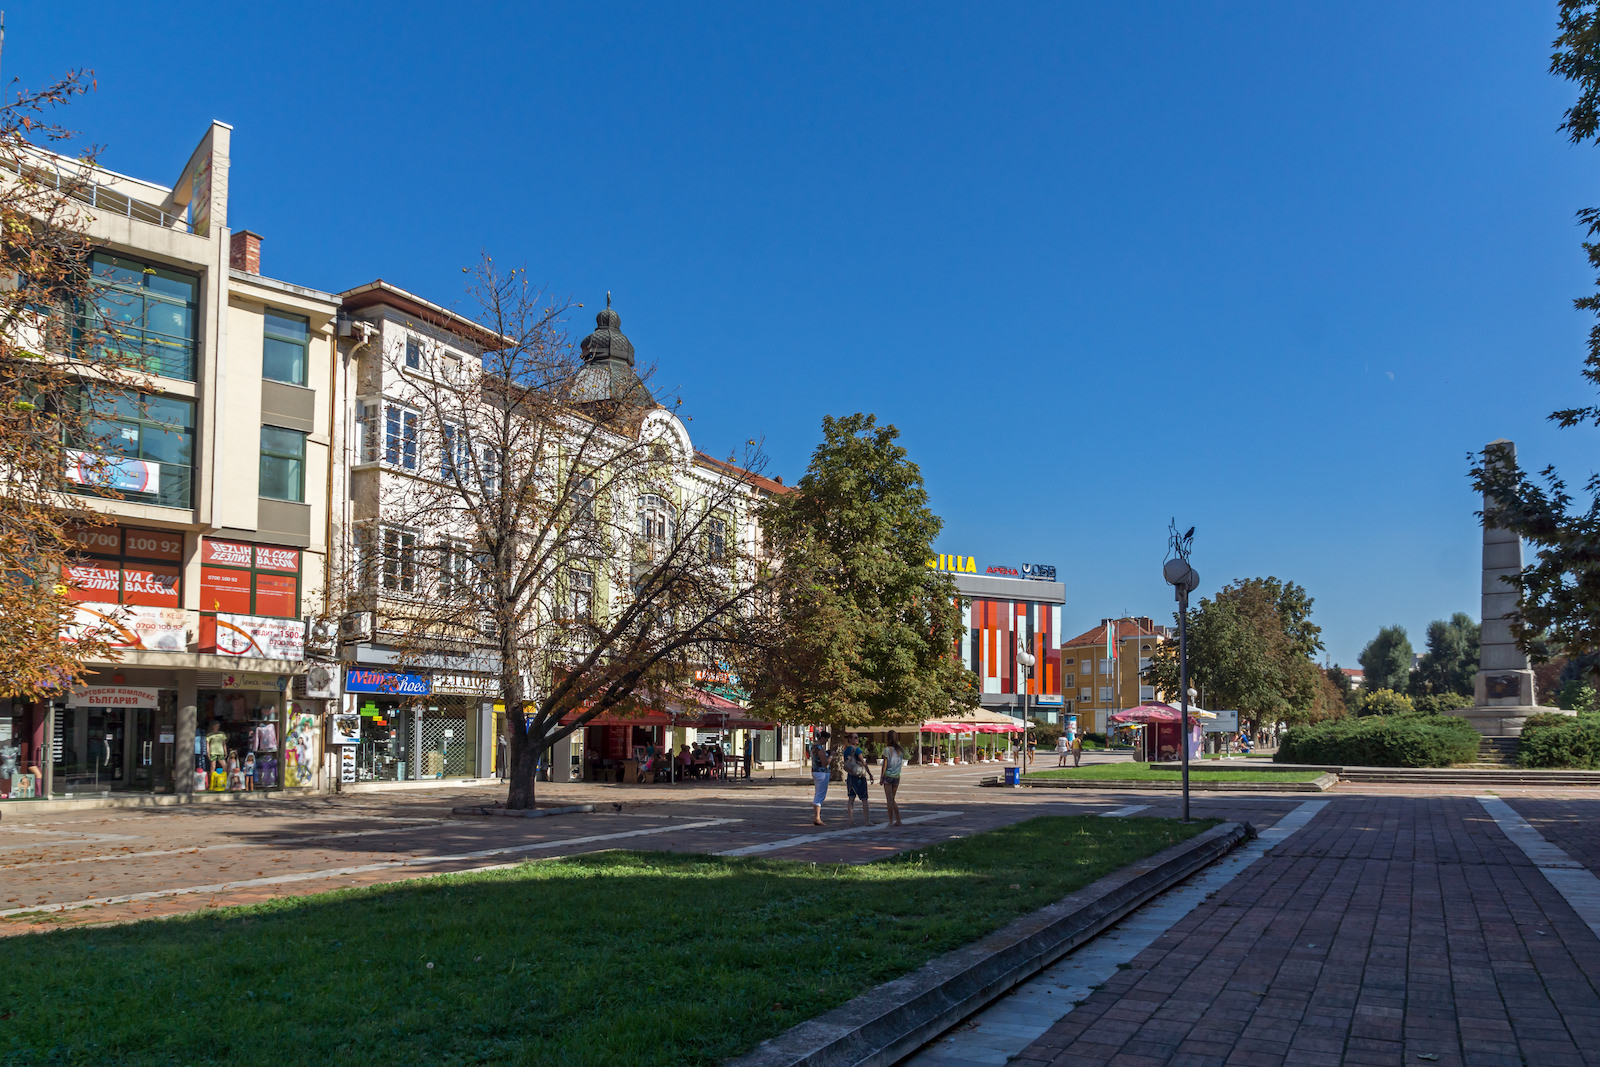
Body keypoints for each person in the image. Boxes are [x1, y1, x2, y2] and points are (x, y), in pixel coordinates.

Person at [841, 732, 874, 826]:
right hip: (859, 777)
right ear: (850, 739)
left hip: (850, 776)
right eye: (855, 738)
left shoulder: (846, 750)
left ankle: (851, 820)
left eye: (857, 737)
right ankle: (867, 821)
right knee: (864, 799)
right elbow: (863, 762)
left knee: (851, 799)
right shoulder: (857, 750)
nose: (857, 739)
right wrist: (870, 774)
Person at [880, 730, 905, 827]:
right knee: (892, 799)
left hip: (888, 776)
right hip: (897, 776)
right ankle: (898, 819)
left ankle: (890, 821)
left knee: (889, 800)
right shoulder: (900, 750)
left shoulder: (887, 750)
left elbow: (885, 765)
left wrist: (881, 777)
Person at [809, 731, 832, 825]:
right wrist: (831, 756)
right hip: (822, 772)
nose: (826, 741)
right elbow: (825, 762)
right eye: (826, 739)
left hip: (815, 771)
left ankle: (817, 816)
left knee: (818, 793)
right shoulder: (820, 748)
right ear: (822, 738)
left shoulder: (814, 747)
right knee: (820, 794)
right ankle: (817, 817)